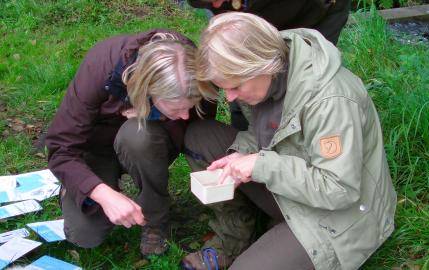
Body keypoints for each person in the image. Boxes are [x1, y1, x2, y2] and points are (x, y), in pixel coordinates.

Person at [182, 13, 397, 270]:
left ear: (261, 65)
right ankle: (235, 237)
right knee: (200, 137)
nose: (229, 98)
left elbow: (340, 189)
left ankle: (284, 238)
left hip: (340, 216)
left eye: (235, 87)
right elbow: (267, 131)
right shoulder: (267, 77)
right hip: (293, 184)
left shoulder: (330, 100)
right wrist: (242, 154)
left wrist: (261, 166)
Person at [45, 29, 215, 257]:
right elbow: (59, 149)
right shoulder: (101, 66)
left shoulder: (193, 71)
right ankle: (82, 185)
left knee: (138, 135)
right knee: (85, 234)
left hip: (145, 142)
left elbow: (197, 127)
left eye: (189, 106)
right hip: (98, 147)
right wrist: (100, 192)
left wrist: (156, 115)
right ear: (149, 90)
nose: (186, 115)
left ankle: (155, 218)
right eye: (177, 109)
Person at [187, 0, 352, 131]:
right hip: (260, 21)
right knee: (244, 86)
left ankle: (301, 142)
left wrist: (264, 164)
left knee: (301, 88)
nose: (216, 6)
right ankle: (254, 136)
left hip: (314, 12)